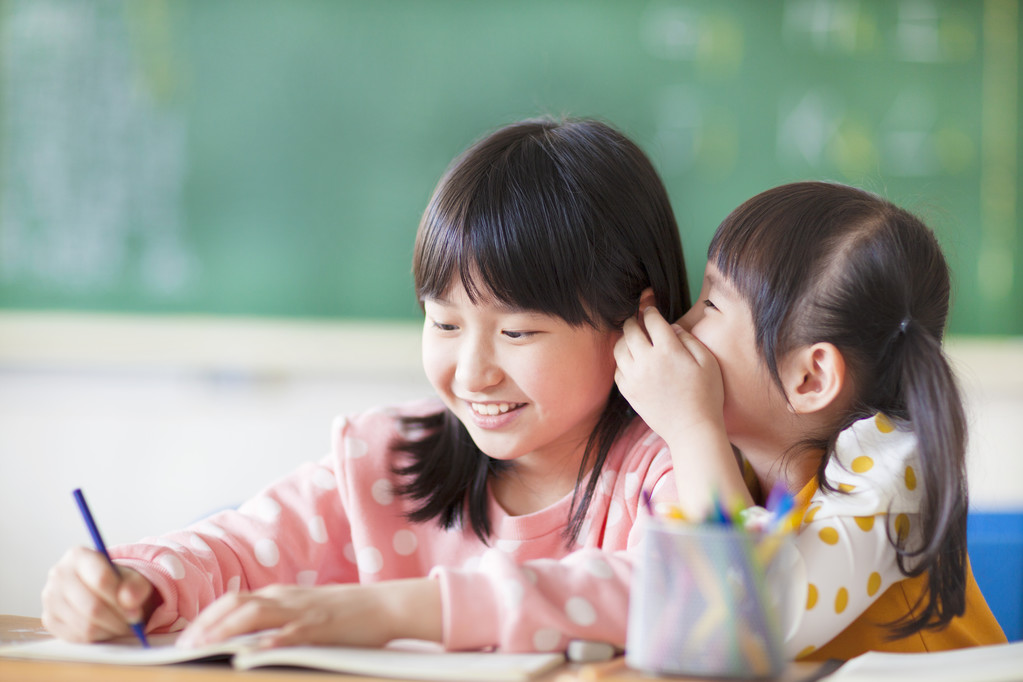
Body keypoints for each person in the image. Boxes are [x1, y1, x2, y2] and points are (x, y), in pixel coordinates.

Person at [41, 117, 691, 653]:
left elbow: (678, 593)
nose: (471, 373)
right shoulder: (386, 459)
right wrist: (134, 584)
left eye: (517, 333)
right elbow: (236, 549)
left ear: (635, 321)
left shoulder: (673, 468)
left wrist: (394, 611)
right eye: (443, 323)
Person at [614, 181, 1006, 661]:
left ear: (811, 377)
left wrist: (691, 427)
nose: (681, 326)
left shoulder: (896, 470)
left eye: (712, 304)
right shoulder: (734, 471)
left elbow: (751, 621)